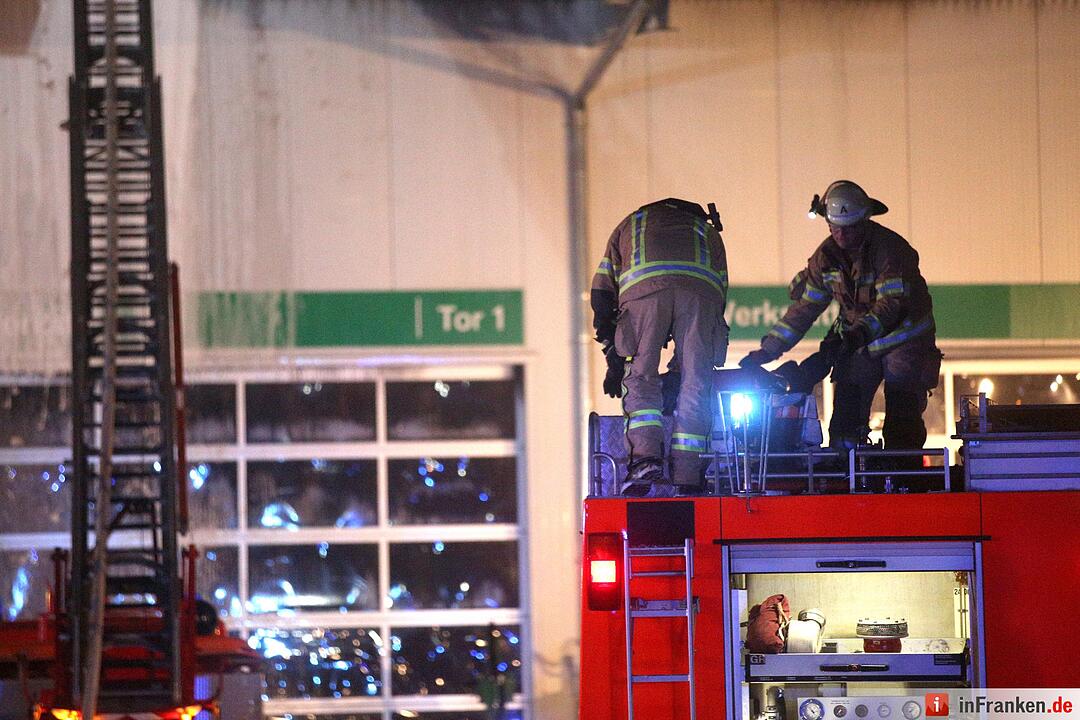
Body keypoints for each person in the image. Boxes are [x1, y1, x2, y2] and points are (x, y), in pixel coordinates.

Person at [740, 180, 942, 450]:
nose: (842, 236)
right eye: (835, 228)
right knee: (845, 415)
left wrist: (854, 335)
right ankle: (847, 475)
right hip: (860, 343)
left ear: (865, 220)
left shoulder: (890, 250)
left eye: (850, 228)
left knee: (902, 414)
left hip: (904, 341)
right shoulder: (826, 258)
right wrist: (766, 352)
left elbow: (893, 305)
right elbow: (803, 310)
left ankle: (902, 478)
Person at [592, 198, 729, 497]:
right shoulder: (708, 232)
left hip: (643, 294)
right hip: (700, 296)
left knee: (640, 375)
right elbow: (720, 295)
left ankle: (645, 462)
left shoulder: (630, 224)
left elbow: (602, 291)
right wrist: (682, 364)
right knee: (696, 381)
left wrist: (612, 356)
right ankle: (689, 474)